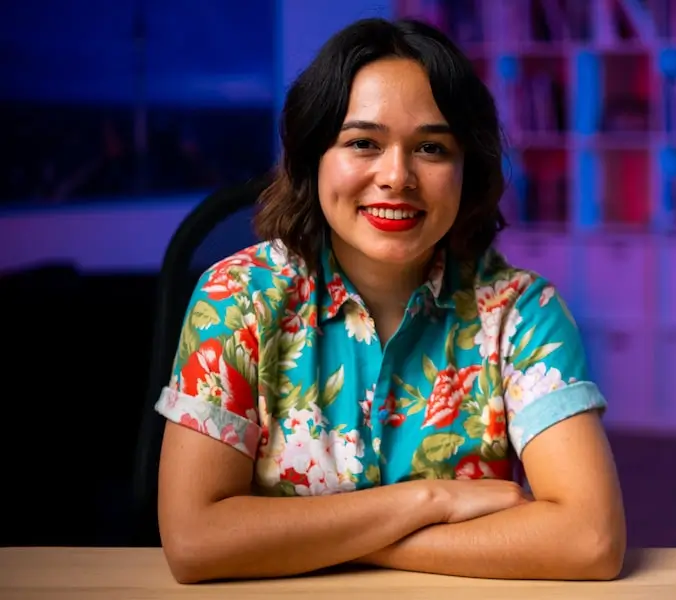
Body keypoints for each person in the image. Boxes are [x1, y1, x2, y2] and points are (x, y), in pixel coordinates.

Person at [154, 17, 625, 584]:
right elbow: (194, 541)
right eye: (362, 143)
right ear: (312, 159)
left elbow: (589, 539)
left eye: (431, 147)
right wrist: (429, 502)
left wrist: (320, 542)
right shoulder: (237, 299)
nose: (397, 176)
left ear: (465, 170)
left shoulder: (522, 312)